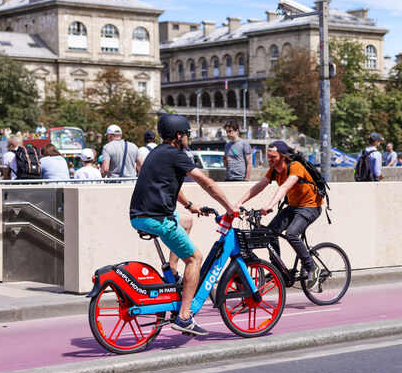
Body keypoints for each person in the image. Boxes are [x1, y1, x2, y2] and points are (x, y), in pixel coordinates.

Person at [130, 114, 238, 336]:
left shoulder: (157, 153)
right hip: (155, 218)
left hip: (141, 215)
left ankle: (173, 271)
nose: (188, 138)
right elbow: (207, 183)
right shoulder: (176, 155)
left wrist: (189, 205)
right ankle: (185, 317)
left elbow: (169, 184)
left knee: (186, 220)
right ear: (179, 136)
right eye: (187, 134)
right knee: (196, 258)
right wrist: (230, 207)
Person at [234, 140, 322, 289]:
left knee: (292, 234)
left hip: (310, 206)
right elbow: (259, 186)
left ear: (283, 157)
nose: (269, 159)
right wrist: (239, 203)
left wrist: (270, 205)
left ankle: (312, 268)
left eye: (272, 157)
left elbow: (286, 186)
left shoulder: (295, 166)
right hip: (294, 206)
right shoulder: (274, 169)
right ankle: (278, 269)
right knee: (270, 232)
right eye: (268, 156)